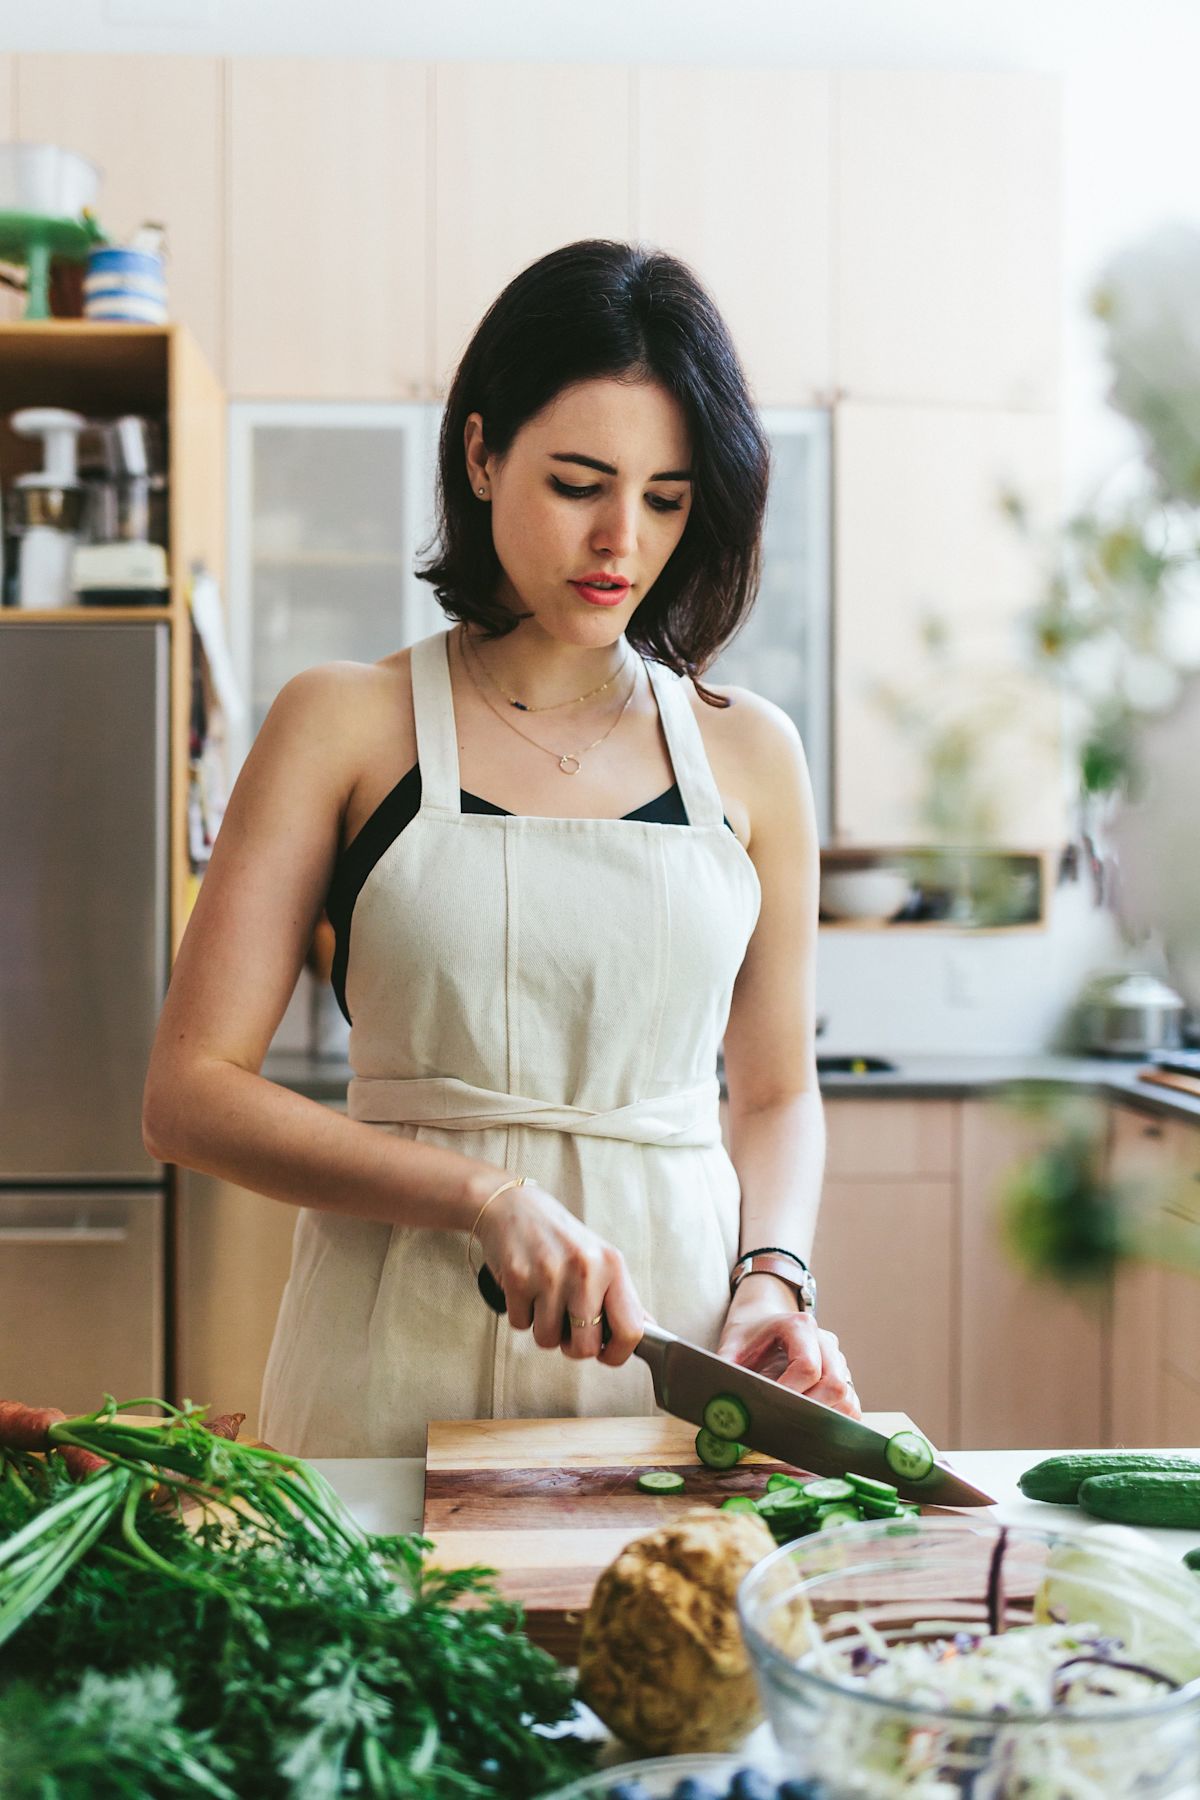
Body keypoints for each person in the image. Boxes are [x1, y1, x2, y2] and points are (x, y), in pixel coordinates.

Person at [142, 238, 860, 1457]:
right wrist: (484, 1196)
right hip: (387, 1350)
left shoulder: (752, 756)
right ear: (480, 454)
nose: (621, 540)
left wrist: (774, 1279)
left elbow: (780, 1089)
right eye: (579, 482)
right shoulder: (342, 723)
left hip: (668, 1341)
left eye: (668, 497)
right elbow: (189, 1095)